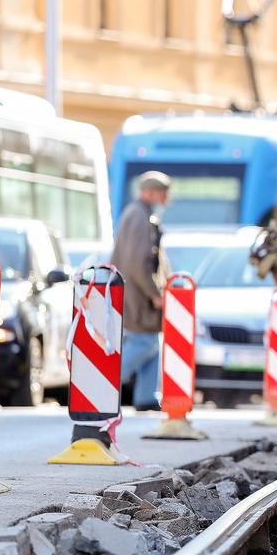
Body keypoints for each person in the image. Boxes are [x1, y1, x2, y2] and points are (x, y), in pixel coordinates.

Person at [111, 171, 172, 410]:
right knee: (144, 342)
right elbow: (139, 263)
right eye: (163, 192)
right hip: (137, 295)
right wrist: (155, 294)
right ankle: (103, 383)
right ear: (150, 192)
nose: (166, 197)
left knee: (151, 343)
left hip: (137, 292)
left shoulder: (140, 214)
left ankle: (146, 397)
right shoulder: (138, 216)